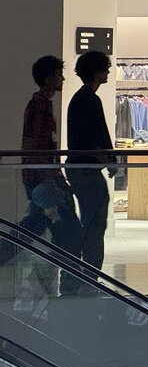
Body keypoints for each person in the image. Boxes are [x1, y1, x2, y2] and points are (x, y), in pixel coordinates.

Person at [19, 55, 82, 264]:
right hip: (43, 178)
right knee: (68, 228)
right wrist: (48, 178)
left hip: (44, 176)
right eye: (58, 75)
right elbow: (35, 145)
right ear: (48, 78)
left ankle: (56, 271)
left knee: (37, 224)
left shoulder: (43, 104)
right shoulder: (39, 105)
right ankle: (66, 273)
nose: (62, 79)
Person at [65, 50, 117, 272]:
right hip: (85, 169)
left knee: (92, 220)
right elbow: (90, 137)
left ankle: (86, 270)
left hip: (83, 168)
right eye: (105, 69)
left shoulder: (83, 98)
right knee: (94, 222)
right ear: (96, 72)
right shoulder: (88, 99)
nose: (108, 73)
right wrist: (107, 159)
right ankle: (89, 271)